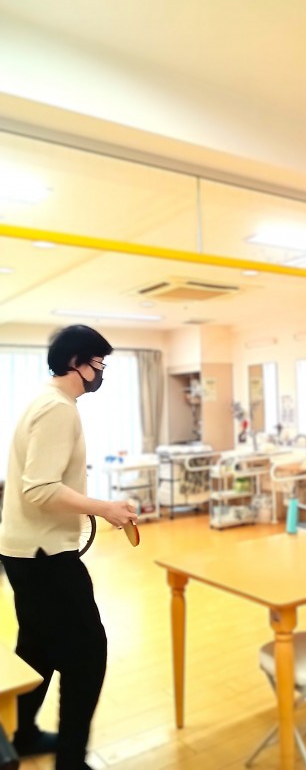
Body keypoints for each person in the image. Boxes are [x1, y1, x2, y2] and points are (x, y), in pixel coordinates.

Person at [0, 325, 138, 770]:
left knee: (38, 649)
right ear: (77, 363)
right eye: (99, 363)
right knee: (87, 656)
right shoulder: (58, 408)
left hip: (25, 550)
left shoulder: (44, 400)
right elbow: (40, 488)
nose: (101, 372)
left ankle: (20, 736)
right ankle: (71, 761)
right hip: (44, 556)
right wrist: (105, 508)